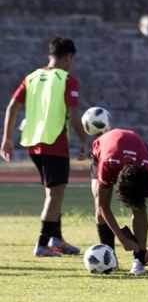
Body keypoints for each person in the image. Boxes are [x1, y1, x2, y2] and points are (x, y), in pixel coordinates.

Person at [1, 37, 88, 257]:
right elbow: (74, 114)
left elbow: (12, 106)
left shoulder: (31, 77)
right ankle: (42, 244)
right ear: (68, 57)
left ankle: (56, 238)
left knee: (53, 193)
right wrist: (84, 140)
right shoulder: (67, 79)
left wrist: (7, 139)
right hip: (55, 143)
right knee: (55, 195)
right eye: (72, 59)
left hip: (33, 143)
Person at [91, 128, 148, 275]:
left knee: (138, 207)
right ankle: (109, 256)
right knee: (99, 205)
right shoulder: (107, 164)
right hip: (103, 150)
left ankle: (139, 260)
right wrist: (122, 238)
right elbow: (103, 206)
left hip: (136, 149)